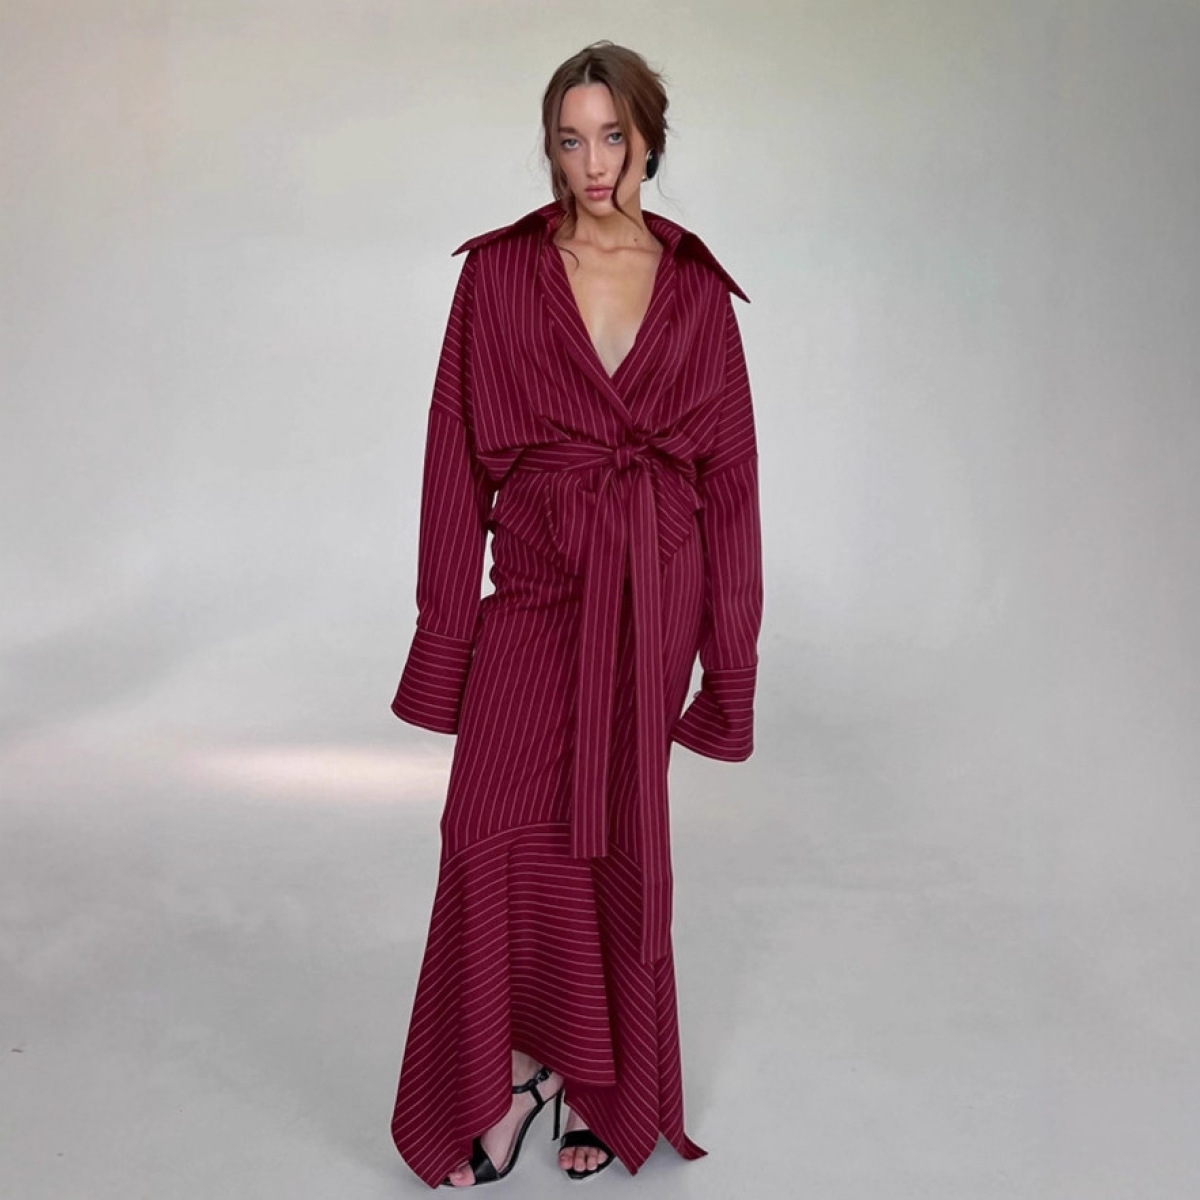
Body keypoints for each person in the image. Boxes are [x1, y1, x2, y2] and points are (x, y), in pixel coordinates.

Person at [388, 41, 763, 1189]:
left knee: (614, 843)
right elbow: (454, 464)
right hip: (539, 589)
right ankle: (502, 1073)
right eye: (570, 138)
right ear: (548, 147)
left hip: (652, 596)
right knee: (485, 829)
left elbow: (732, 487)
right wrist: (445, 642)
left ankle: (591, 1082)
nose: (593, 163)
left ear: (649, 140)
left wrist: (728, 664)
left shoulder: (698, 290)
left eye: (613, 137)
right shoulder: (499, 275)